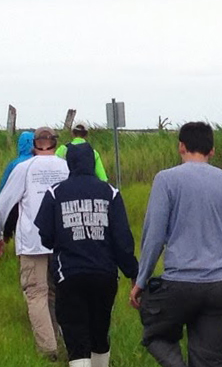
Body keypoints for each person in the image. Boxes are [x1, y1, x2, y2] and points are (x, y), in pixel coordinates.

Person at [133, 122, 222, 367]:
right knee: (210, 360)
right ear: (212, 151)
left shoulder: (166, 180)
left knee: (155, 333)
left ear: (181, 146)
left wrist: (141, 280)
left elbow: (154, 237)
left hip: (179, 282)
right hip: (220, 285)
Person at [35, 142, 139, 367]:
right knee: (99, 332)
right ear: (93, 163)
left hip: (69, 275)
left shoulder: (55, 193)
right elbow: (122, 240)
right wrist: (133, 273)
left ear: (69, 163)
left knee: (76, 334)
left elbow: (44, 234)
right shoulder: (110, 192)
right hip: (105, 275)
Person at [0, 127, 72, 360]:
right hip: (63, 243)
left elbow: (3, 206)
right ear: (56, 143)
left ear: (35, 145)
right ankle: (68, 344)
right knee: (59, 293)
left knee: (36, 293)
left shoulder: (23, 168)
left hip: (32, 243)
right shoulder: (67, 167)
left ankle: (49, 350)